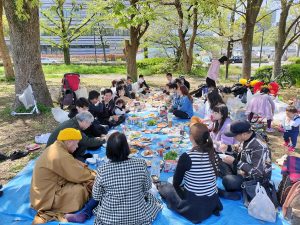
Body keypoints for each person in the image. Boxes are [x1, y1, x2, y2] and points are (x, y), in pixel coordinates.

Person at [158, 117, 223, 224]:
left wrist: (181, 195)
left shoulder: (187, 156)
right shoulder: (213, 153)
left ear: (191, 137)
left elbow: (176, 183)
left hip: (195, 204)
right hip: (212, 200)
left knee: (165, 187)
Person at [92, 132, 162, 225]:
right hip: (138, 216)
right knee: (152, 198)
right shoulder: (140, 163)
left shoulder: (103, 169)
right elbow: (147, 187)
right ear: (127, 147)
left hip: (110, 219)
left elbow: (96, 196)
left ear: (108, 149)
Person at [30, 128, 96, 224]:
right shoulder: (59, 154)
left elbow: (74, 165)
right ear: (69, 142)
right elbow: (78, 175)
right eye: (76, 143)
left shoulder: (56, 148)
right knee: (81, 190)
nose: (77, 146)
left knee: (86, 180)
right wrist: (95, 175)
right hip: (46, 199)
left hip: (42, 194)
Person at [221, 120, 272, 193]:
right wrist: (228, 147)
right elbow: (241, 149)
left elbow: (258, 173)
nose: (233, 138)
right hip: (243, 169)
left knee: (228, 181)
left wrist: (235, 162)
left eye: (235, 135)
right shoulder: (248, 137)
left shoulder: (259, 147)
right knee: (220, 160)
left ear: (244, 134)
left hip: (256, 180)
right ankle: (233, 176)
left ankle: (234, 178)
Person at [210, 104, 237, 177]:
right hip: (218, 149)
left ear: (222, 114)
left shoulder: (227, 126)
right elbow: (212, 133)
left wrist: (213, 142)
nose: (213, 114)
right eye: (213, 112)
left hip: (227, 153)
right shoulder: (217, 121)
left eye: (216, 113)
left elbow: (224, 146)